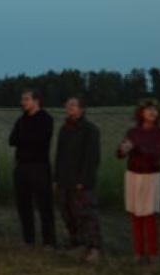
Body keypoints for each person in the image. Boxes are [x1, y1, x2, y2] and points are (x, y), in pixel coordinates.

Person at [117, 99, 160, 265]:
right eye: (148, 109)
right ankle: (138, 252)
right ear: (141, 113)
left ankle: (152, 253)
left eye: (155, 110)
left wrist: (136, 147)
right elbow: (120, 154)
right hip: (133, 175)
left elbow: (155, 155)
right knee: (135, 215)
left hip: (151, 177)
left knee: (150, 215)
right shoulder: (132, 132)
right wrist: (122, 149)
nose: (152, 112)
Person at [53, 97, 102, 262]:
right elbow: (59, 155)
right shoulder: (64, 129)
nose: (69, 108)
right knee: (68, 213)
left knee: (86, 214)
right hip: (64, 180)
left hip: (81, 181)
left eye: (73, 105)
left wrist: (84, 180)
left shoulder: (90, 130)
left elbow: (92, 158)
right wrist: (56, 178)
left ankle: (93, 247)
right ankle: (76, 242)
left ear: (82, 109)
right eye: (67, 105)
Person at [9, 89, 56, 247]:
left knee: (44, 205)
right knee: (23, 204)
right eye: (22, 99)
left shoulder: (46, 119)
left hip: (39, 166)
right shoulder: (21, 119)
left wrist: (24, 139)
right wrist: (26, 139)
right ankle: (28, 239)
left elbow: (40, 140)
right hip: (21, 166)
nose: (23, 102)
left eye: (26, 99)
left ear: (36, 101)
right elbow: (12, 139)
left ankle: (49, 241)